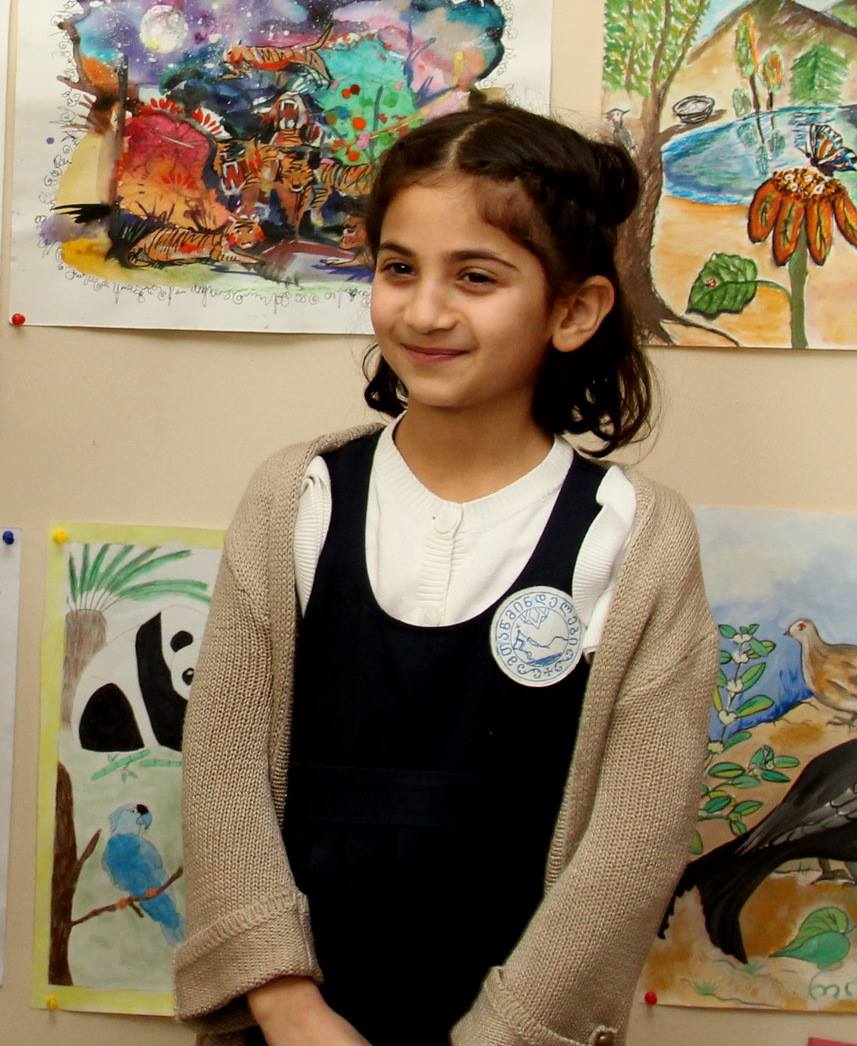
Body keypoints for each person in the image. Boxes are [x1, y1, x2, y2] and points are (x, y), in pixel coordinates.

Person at [174, 100, 717, 1046]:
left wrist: (505, 1033)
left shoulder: (636, 537)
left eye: (475, 276)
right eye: (398, 269)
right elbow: (221, 770)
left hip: (516, 1024)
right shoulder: (295, 497)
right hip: (294, 1021)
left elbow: (637, 837)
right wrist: (287, 1005)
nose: (424, 312)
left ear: (573, 310)